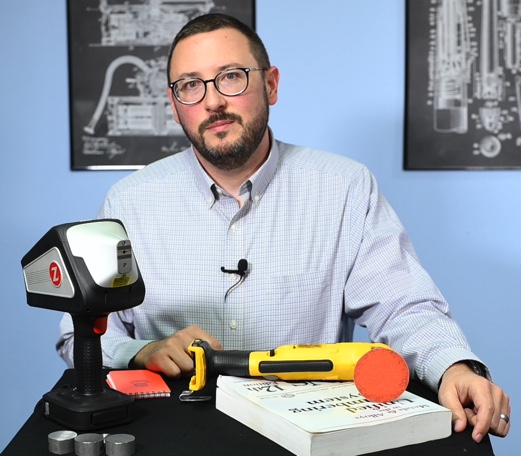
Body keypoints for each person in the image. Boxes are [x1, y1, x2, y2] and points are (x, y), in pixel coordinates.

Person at [57, 13, 510, 443]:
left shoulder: (345, 187)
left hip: (306, 434)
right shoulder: (129, 201)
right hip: (170, 428)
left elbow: (403, 307)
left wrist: (454, 367)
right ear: (176, 107)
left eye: (231, 76)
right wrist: (142, 351)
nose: (212, 101)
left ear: (271, 85)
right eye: (190, 86)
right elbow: (81, 333)